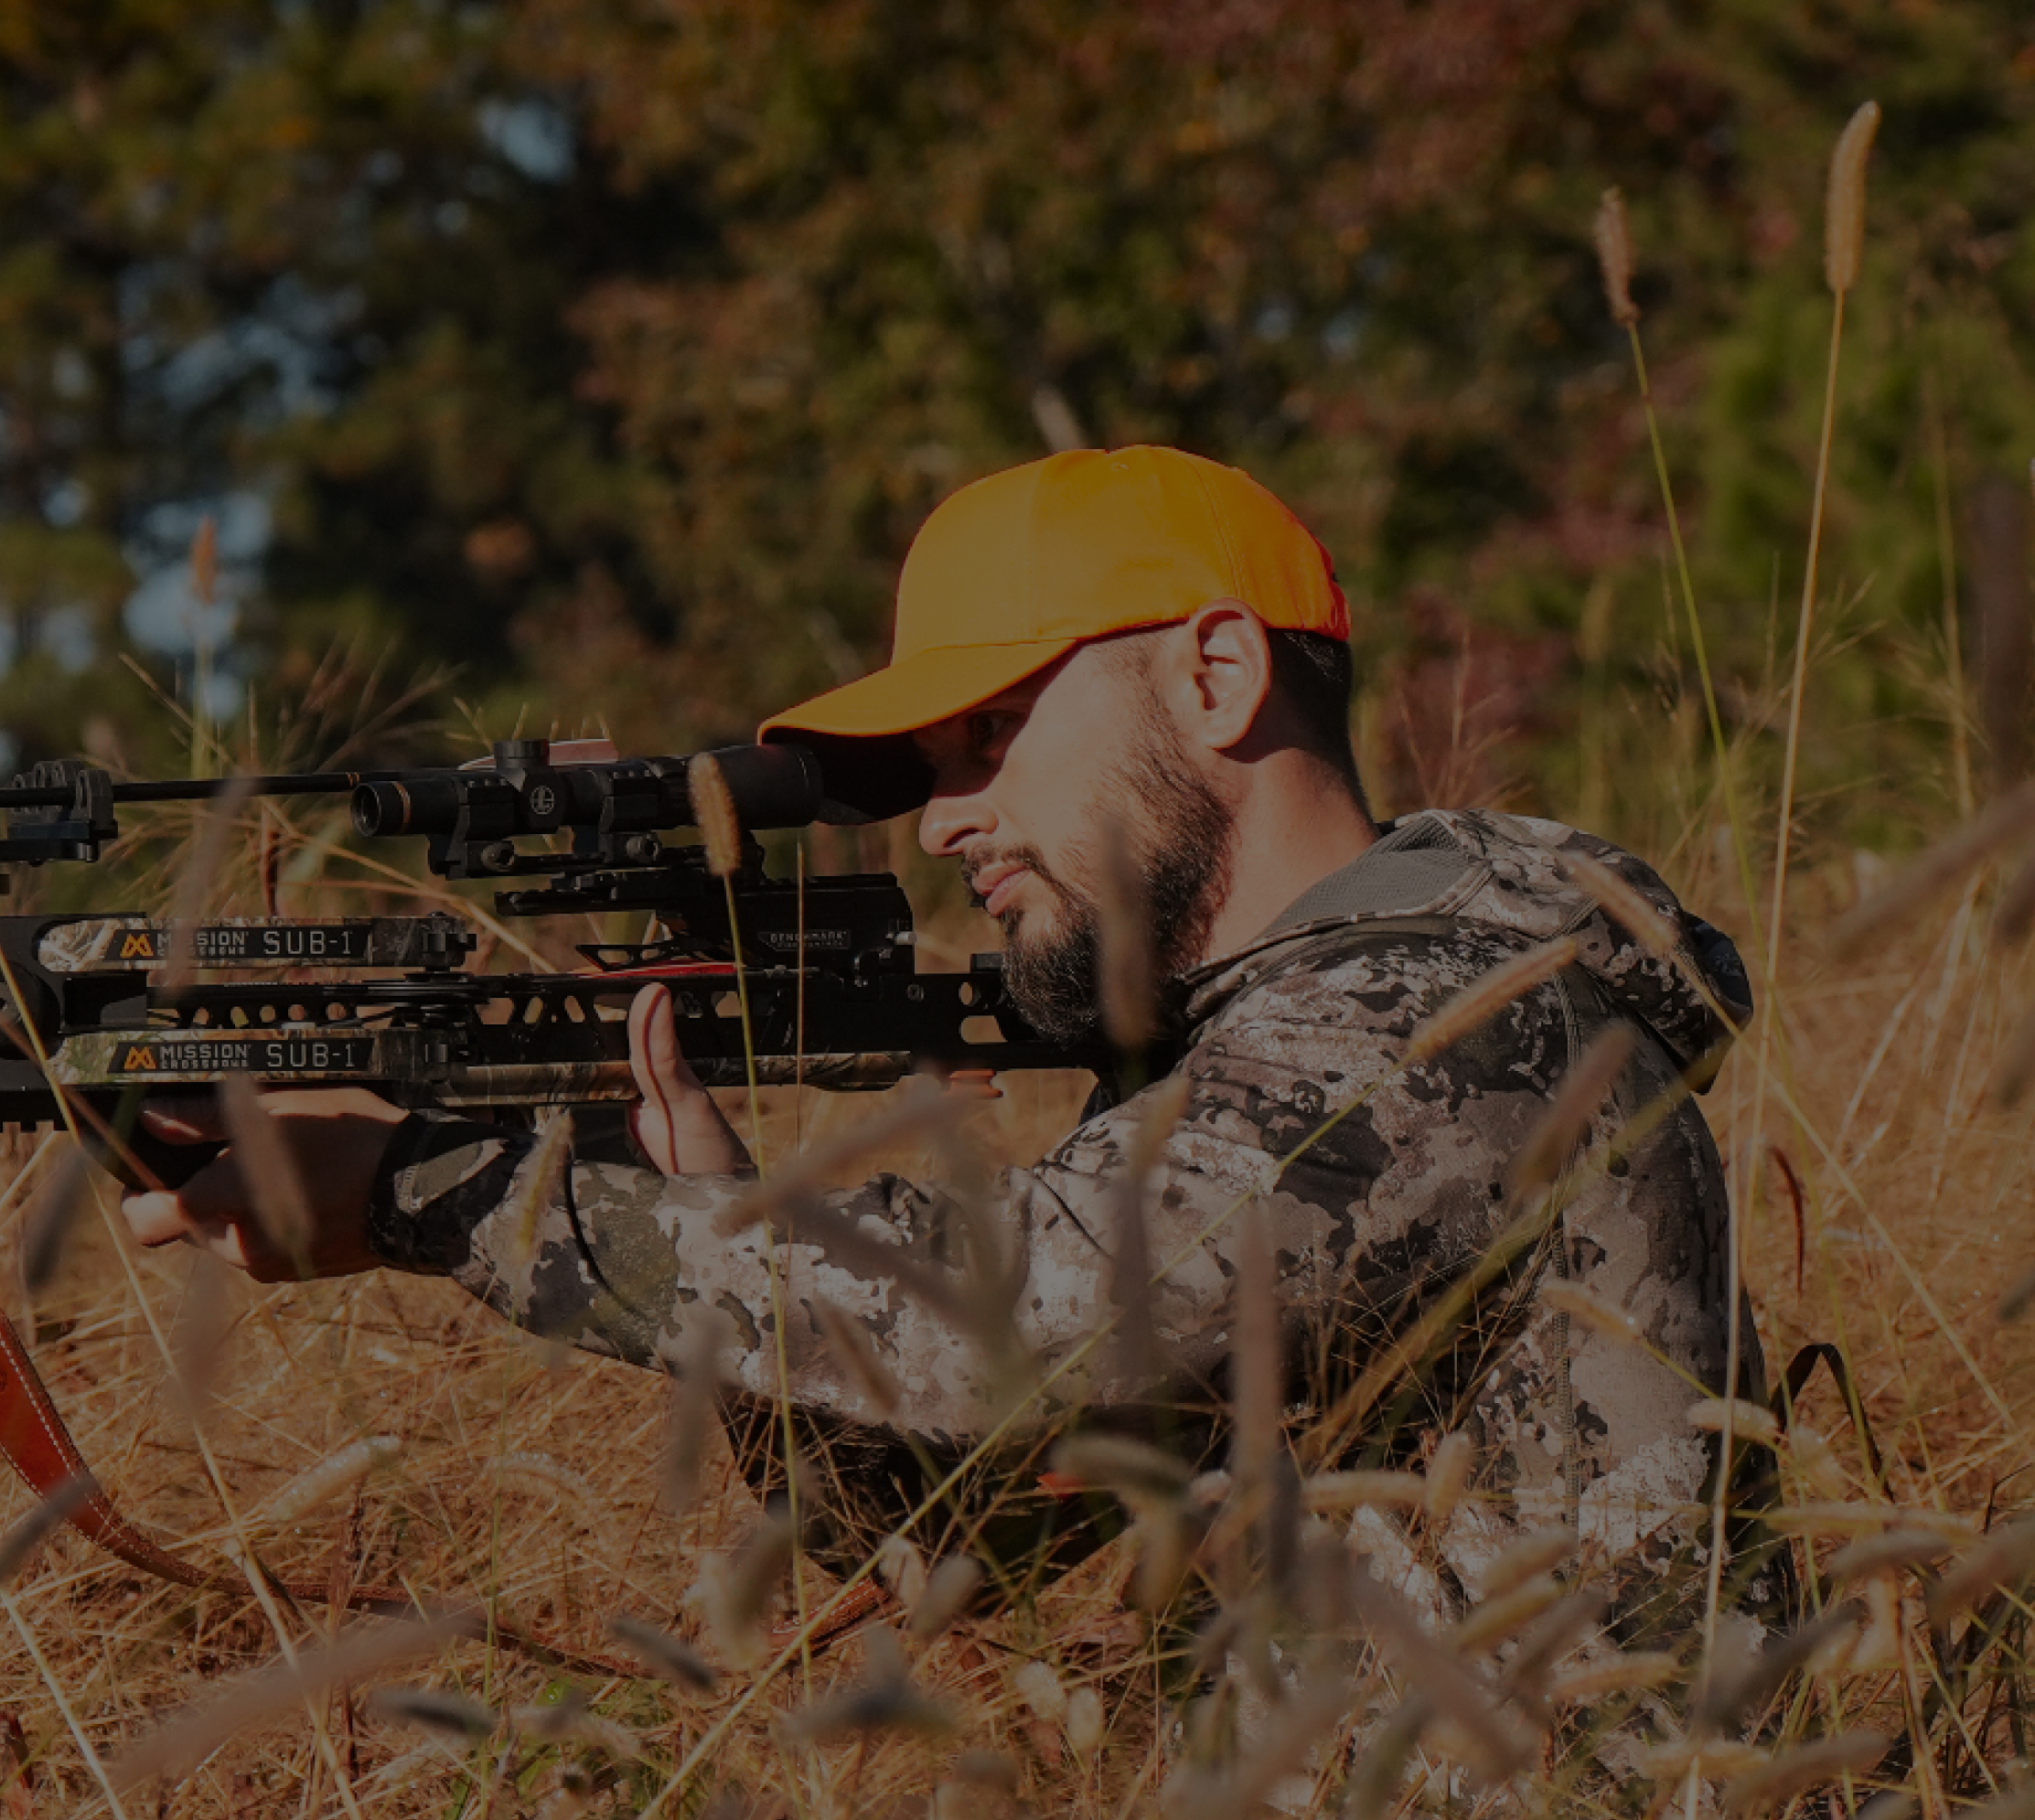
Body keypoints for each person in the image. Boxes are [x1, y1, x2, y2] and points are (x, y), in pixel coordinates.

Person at [121, 444, 1759, 1640]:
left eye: (987, 735)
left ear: (1216, 672)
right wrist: (703, 1205)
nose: (948, 819)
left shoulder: (1457, 1027)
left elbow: (1022, 1328)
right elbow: (966, 1540)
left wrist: (440, 1195)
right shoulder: (1238, 1068)